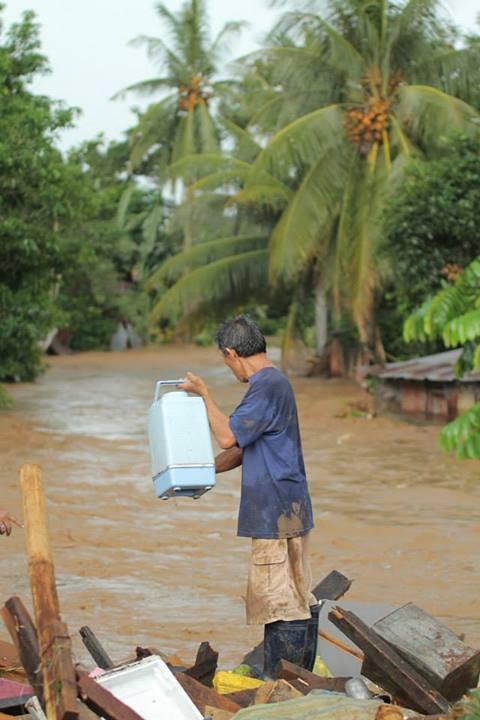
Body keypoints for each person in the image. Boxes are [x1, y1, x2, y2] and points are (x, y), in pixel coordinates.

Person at [179, 315, 318, 677]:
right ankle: (298, 680)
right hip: (291, 507)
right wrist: (202, 473)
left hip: (274, 510)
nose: (229, 369)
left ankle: (280, 684)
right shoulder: (275, 384)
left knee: (279, 603)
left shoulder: (265, 386)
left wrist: (205, 396)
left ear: (231, 353)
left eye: (226, 362)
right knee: (298, 597)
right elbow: (241, 448)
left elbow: (227, 437)